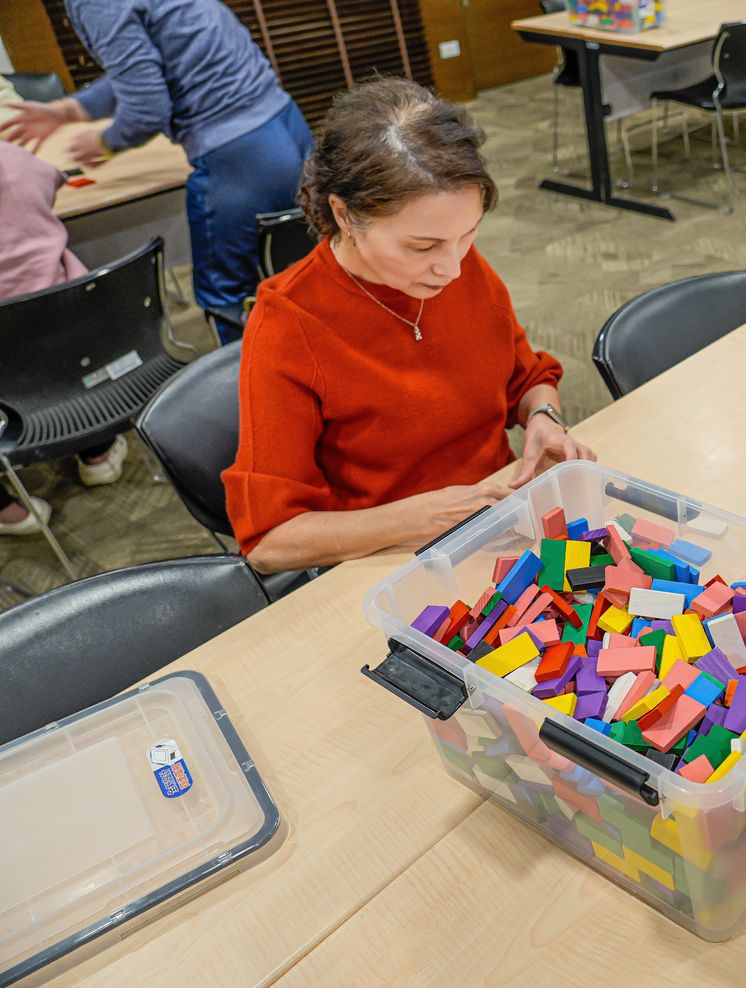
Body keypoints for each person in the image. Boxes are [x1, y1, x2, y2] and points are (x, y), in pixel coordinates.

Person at [223, 79, 594, 574]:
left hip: (496, 520)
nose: (453, 268)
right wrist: (415, 519)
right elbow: (269, 541)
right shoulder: (289, 323)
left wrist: (545, 419)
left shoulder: (452, 267)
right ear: (344, 214)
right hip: (387, 561)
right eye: (422, 247)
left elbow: (525, 379)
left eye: (468, 235)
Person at [0, 0, 313, 338]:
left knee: (227, 298)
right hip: (285, 121)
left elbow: (147, 104)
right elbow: (159, 68)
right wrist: (71, 110)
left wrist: (105, 142)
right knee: (304, 263)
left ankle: (253, 384)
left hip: (238, 152)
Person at [0, 140, 124, 536]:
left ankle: (8, 510)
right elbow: (52, 181)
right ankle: (96, 450)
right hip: (71, 340)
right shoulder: (13, 159)